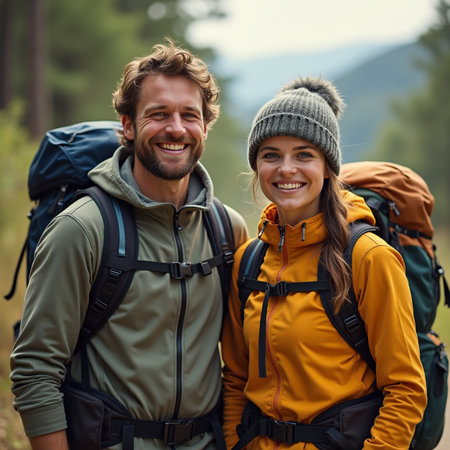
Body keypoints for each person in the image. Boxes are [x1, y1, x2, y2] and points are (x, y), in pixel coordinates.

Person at [10, 40, 249, 450]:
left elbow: (245, 363)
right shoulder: (83, 228)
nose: (176, 127)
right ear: (128, 125)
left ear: (205, 127)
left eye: (189, 115)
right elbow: (35, 369)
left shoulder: (227, 230)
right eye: (158, 114)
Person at [221, 77, 427, 449]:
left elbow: (406, 388)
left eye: (304, 155)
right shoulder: (248, 261)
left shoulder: (368, 257)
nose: (286, 168)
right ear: (256, 166)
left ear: (329, 167)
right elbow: (236, 378)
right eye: (271, 155)